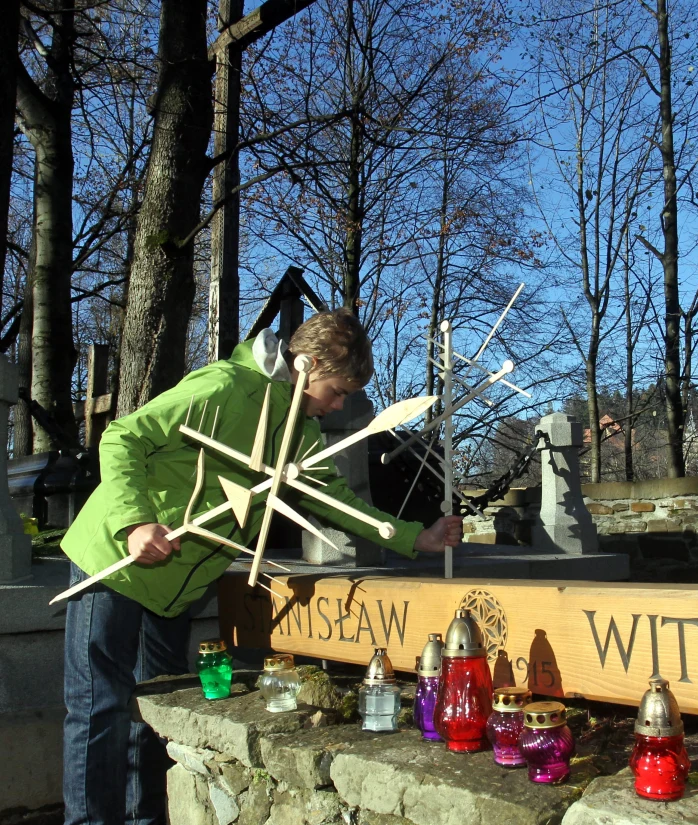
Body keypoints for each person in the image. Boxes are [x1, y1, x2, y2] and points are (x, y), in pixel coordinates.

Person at [59, 309, 462, 825]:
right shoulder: (225, 386)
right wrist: (136, 523)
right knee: (98, 708)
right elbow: (123, 436)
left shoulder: (300, 429)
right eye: (337, 391)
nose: (339, 405)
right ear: (308, 365)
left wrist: (414, 537)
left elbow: (330, 498)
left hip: (174, 589)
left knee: (153, 715)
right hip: (116, 562)